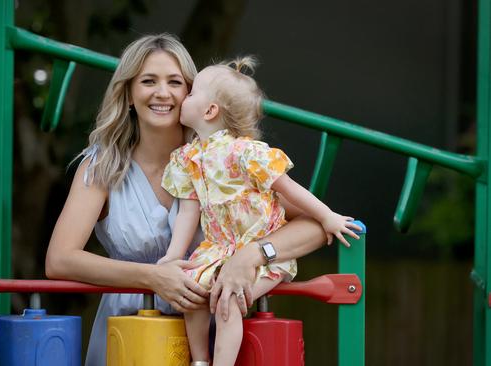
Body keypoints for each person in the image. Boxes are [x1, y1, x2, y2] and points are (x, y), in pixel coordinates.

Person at [44, 34, 329, 366]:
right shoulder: (102, 166)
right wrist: (152, 277)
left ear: (196, 96)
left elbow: (318, 225)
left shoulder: (228, 162)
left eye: (175, 82)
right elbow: (60, 260)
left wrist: (251, 255)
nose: (162, 93)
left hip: (212, 336)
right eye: (148, 81)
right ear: (129, 94)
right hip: (131, 333)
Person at [155, 56, 361, 366]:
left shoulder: (246, 152)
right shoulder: (188, 157)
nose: (184, 97)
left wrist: (326, 215)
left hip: (261, 242)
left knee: (230, 300)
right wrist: (174, 255)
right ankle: (199, 361)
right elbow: (189, 211)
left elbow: (289, 189)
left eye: (192, 92)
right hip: (217, 249)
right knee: (192, 292)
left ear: (210, 111)